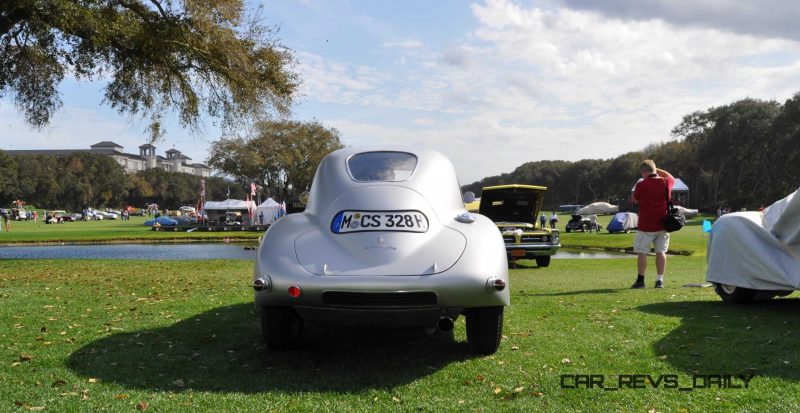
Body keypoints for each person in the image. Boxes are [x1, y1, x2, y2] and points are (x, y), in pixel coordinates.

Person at [630, 159, 674, 289]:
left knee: (642, 252)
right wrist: (655, 168)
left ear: (644, 172)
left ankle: (641, 280)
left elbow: (636, 199)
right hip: (663, 225)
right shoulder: (666, 182)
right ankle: (659, 280)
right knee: (661, 252)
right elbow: (670, 176)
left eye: (642, 172)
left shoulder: (641, 185)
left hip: (646, 225)